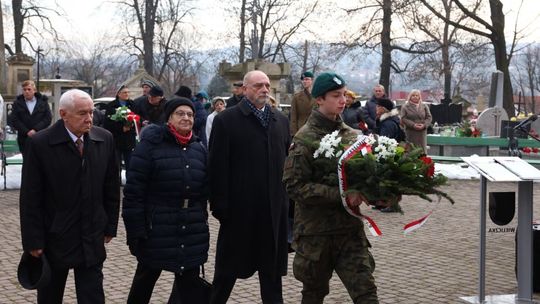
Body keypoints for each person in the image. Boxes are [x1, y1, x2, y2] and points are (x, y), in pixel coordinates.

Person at [283, 72, 378, 304]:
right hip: (317, 235)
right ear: (319, 99)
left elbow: (364, 177)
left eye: (344, 94)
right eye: (336, 95)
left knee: (366, 294)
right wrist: (342, 196)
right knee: (313, 296)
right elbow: (295, 186)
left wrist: (378, 193)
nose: (343, 100)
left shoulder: (352, 136)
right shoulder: (304, 139)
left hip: (349, 232)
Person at [19, 89, 120, 303]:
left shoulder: (104, 139)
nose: (89, 118)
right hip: (55, 236)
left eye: (91, 112)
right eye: (82, 113)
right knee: (50, 296)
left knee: (93, 296)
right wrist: (33, 240)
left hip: (91, 234)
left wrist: (110, 225)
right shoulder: (40, 144)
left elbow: (111, 187)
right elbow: (30, 198)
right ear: (63, 114)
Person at [208, 70, 290, 304]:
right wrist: (221, 208)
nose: (264, 89)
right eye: (257, 86)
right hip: (239, 214)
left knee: (272, 279)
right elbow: (216, 167)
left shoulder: (280, 121)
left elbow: (286, 166)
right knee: (226, 275)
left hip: (272, 216)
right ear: (244, 90)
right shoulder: (226, 120)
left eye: (266, 85)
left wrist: (285, 206)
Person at [123, 97, 209, 304]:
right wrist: (136, 231)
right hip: (157, 229)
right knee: (145, 281)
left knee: (187, 286)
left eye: (190, 114)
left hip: (190, 229)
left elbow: (203, 193)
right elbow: (134, 193)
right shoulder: (150, 146)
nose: (186, 118)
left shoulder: (199, 149)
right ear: (169, 117)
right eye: (180, 113)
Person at [7, 80, 52, 154]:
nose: (27, 91)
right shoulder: (17, 103)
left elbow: (47, 119)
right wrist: (27, 131)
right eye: (24, 90)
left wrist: (35, 130)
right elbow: (15, 120)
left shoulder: (43, 102)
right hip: (24, 138)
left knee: (41, 161)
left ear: (34, 90)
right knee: (27, 162)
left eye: (29, 89)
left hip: (40, 136)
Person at [104, 85, 137, 169]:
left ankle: (130, 181)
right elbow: (107, 123)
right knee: (116, 164)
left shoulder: (132, 104)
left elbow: (137, 118)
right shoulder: (111, 106)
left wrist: (130, 125)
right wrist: (121, 128)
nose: (127, 94)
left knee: (130, 164)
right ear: (119, 94)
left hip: (129, 139)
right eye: (124, 92)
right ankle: (117, 181)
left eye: (128, 92)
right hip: (117, 139)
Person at [290, 71, 315, 136]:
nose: (304, 81)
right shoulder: (297, 97)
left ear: (312, 80)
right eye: (303, 80)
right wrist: (294, 134)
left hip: (315, 130)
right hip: (301, 130)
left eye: (307, 79)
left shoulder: (318, 96)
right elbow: (293, 117)